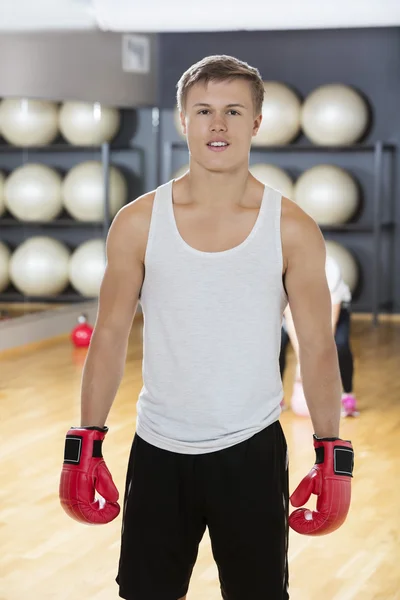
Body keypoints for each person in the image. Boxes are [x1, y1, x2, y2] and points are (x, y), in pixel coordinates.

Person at [59, 55, 354, 600]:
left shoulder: (292, 228)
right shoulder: (138, 222)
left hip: (252, 450)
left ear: (257, 122)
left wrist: (332, 453)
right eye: (204, 111)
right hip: (158, 449)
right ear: (182, 120)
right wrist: (87, 439)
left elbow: (316, 348)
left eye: (234, 111)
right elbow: (109, 336)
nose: (218, 125)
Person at [280, 255, 359, 417]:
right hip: (298, 310)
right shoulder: (284, 271)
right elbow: (291, 319)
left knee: (341, 345)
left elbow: (329, 321)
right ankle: (276, 397)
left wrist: (316, 355)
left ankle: (347, 395)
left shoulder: (331, 269)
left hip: (332, 309)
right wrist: (303, 358)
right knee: (276, 344)